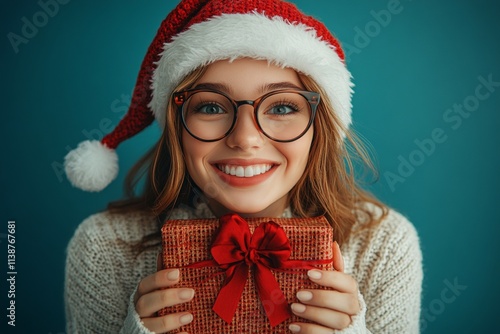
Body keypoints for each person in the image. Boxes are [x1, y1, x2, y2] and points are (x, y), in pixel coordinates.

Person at [63, 0, 423, 333]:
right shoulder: (106, 248)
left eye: (282, 107)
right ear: (177, 126)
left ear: (320, 127)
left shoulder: (383, 245)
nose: (245, 138)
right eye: (211, 107)